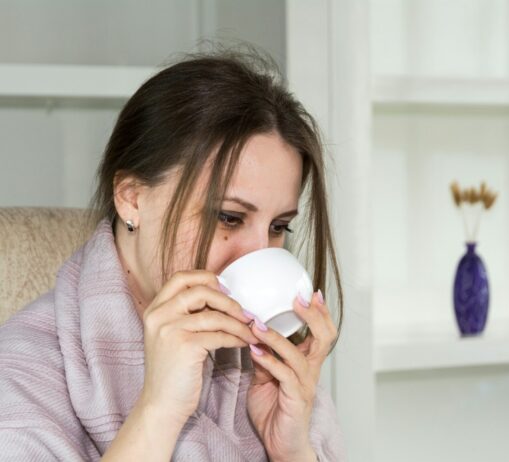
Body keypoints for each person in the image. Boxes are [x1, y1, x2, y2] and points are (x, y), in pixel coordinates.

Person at [0, 46, 345, 461]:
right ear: (131, 199)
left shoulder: (269, 366)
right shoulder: (25, 370)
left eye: (278, 227)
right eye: (229, 217)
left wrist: (291, 450)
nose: (258, 252)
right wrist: (158, 410)